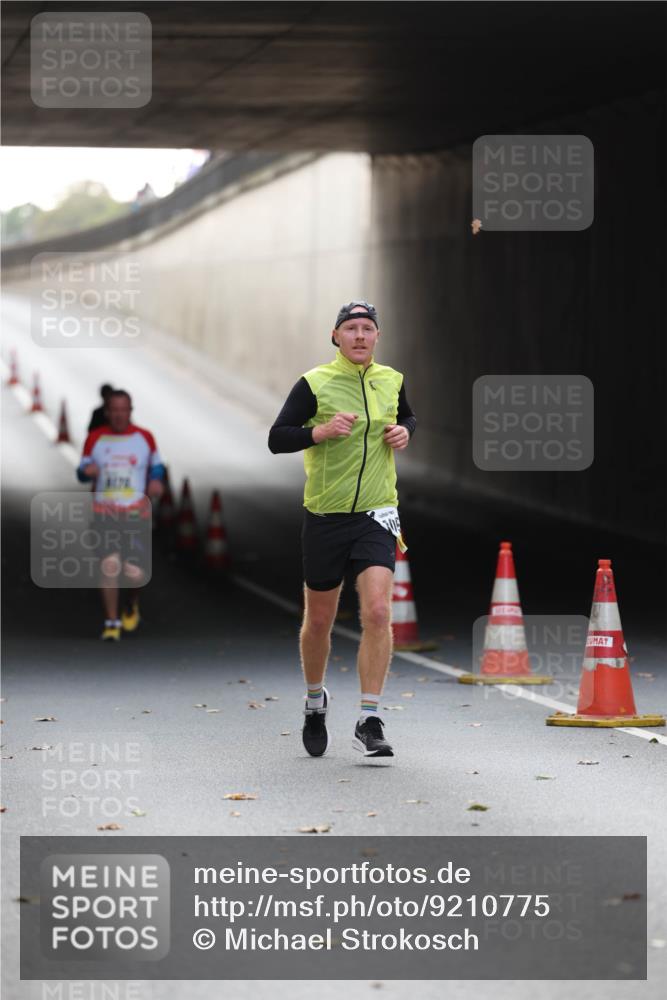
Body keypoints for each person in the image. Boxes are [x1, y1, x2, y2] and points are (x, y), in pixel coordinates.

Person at [268, 301, 416, 762]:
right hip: (326, 516)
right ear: (335, 336)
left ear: (377, 336)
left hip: (376, 512)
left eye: (367, 328)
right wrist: (321, 431)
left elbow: (406, 416)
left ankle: (369, 719)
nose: (359, 336)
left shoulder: (391, 379)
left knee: (376, 611)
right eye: (349, 328)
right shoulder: (315, 383)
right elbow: (278, 437)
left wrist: (404, 432)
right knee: (319, 622)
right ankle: (316, 701)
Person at [77, 390, 165, 641]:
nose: (118, 415)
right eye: (113, 410)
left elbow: (157, 465)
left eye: (123, 410)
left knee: (134, 572)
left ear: (130, 411)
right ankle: (111, 622)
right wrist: (87, 471)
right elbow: (82, 470)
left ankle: (131, 602)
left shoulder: (144, 438)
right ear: (107, 412)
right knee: (109, 565)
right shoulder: (95, 438)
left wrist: (156, 481)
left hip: (136, 514)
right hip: (105, 513)